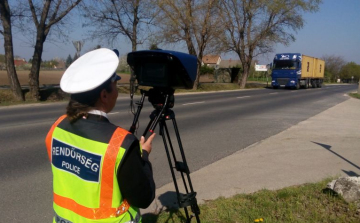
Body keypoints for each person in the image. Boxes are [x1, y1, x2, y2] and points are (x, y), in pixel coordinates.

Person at [45, 48, 156, 223]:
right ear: (104, 95)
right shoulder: (121, 144)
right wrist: (144, 155)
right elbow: (143, 198)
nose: (117, 92)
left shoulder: (57, 127)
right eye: (115, 86)